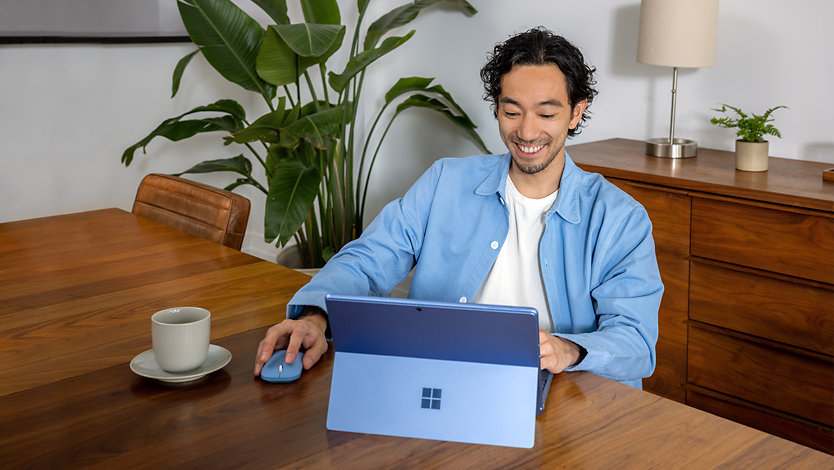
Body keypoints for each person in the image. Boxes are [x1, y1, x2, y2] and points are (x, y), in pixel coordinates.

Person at [254, 27, 663, 389]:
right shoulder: (444, 182)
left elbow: (635, 341)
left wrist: (567, 349)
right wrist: (314, 315)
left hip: (562, 395)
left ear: (576, 112)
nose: (527, 131)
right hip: (443, 381)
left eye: (547, 112)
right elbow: (368, 259)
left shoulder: (620, 219)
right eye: (511, 111)